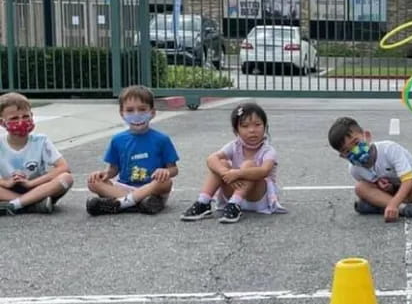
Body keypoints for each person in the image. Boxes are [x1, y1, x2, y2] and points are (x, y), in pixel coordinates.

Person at [180, 102, 285, 224]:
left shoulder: (268, 150)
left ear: (265, 127)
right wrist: (225, 172)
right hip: (233, 191)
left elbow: (264, 171)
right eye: (245, 126)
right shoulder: (234, 146)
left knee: (248, 165)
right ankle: (203, 202)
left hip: (257, 197)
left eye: (257, 125)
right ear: (236, 131)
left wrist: (238, 173)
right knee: (221, 163)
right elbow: (211, 158)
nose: (252, 130)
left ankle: (235, 204)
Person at [86, 85, 178, 215]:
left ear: (152, 113)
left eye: (142, 110)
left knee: (166, 182)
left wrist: (165, 171)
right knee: (93, 183)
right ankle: (139, 203)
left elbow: (174, 169)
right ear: (121, 113)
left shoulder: (162, 139)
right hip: (125, 187)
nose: (136, 115)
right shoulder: (117, 140)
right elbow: (113, 169)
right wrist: (103, 174)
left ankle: (121, 203)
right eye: (130, 110)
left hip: (152, 188)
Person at [327, 116, 412, 221]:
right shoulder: (354, 169)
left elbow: (409, 180)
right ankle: (405, 209)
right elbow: (372, 186)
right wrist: (385, 187)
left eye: (356, 143)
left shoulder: (388, 149)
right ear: (343, 156)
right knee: (360, 188)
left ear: (367, 136)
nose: (355, 151)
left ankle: (380, 207)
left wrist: (393, 204)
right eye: (347, 151)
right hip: (392, 193)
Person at [0, 92, 74, 215]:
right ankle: (33, 204)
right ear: (2, 123)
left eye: (25, 116)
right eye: (14, 118)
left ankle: (15, 204)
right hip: (9, 189)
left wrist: (30, 183)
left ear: (32, 116)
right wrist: (6, 182)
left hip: (39, 188)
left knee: (66, 178)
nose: (21, 122)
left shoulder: (41, 141)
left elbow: (64, 167)